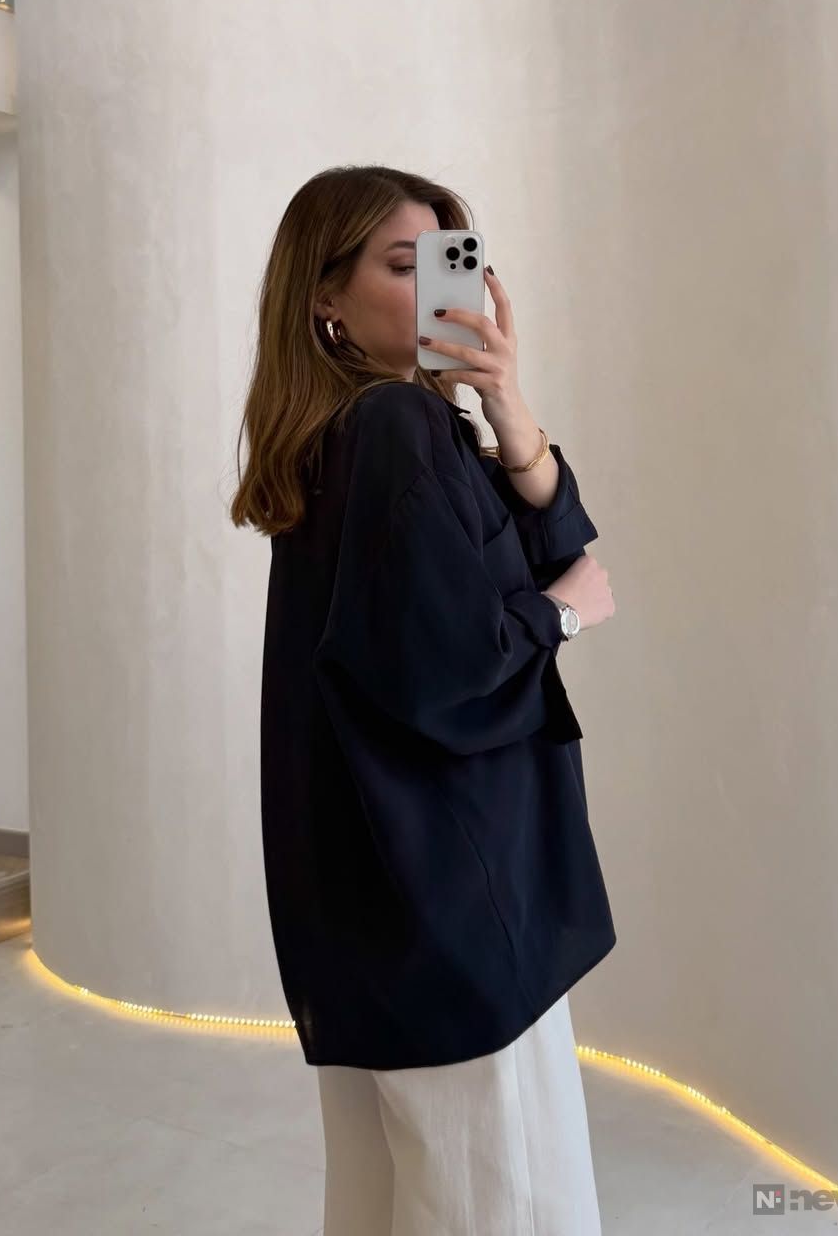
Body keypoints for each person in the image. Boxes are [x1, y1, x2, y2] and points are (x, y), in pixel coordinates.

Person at [231, 164, 618, 1234]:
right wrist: (562, 616)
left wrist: (505, 403)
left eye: (450, 262)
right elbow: (448, 667)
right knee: (506, 1201)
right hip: (454, 891)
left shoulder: (360, 430)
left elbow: (534, 539)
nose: (441, 288)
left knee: (390, 1195)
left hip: (375, 898)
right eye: (403, 266)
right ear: (326, 295)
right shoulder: (395, 426)